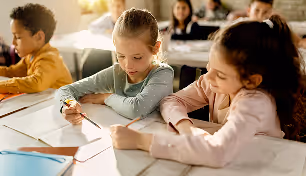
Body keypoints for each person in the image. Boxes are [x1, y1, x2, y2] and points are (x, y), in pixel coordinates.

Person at [110, 15, 306, 167]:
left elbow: (217, 153)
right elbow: (170, 101)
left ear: (252, 81)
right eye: (208, 66)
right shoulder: (213, 83)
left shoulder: (255, 101)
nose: (208, 77)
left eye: (220, 74)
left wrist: (142, 141)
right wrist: (185, 127)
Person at [57, 8, 174, 124]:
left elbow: (136, 109)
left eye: (137, 57)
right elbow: (65, 90)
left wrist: (106, 98)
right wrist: (68, 104)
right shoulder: (117, 72)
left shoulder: (163, 74)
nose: (128, 66)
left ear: (156, 48)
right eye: (121, 56)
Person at [0, 3, 72, 93]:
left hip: (61, 105)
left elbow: (35, 83)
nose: (13, 43)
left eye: (18, 37)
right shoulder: (31, 56)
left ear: (39, 37)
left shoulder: (49, 59)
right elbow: (11, 72)